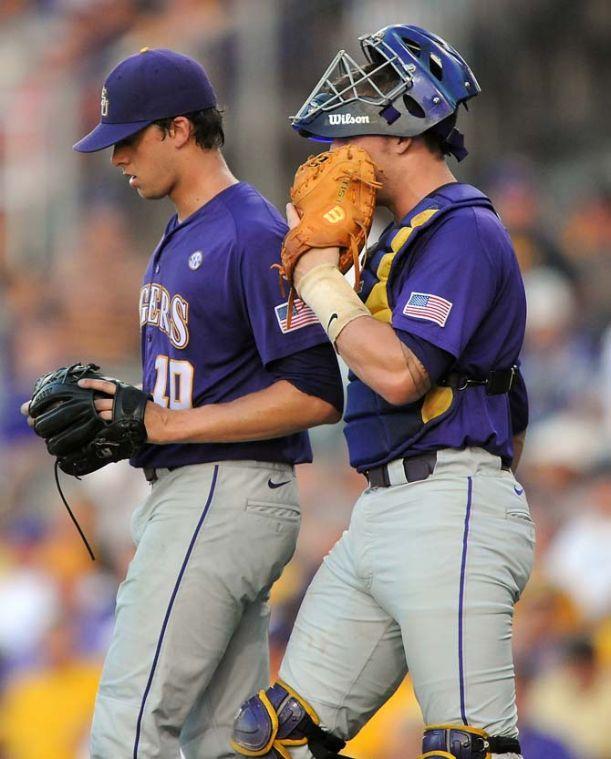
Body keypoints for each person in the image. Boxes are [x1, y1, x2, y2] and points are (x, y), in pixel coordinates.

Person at [231, 25, 534, 759]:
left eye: (363, 112)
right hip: (386, 509)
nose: (339, 149)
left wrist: (316, 276)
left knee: (466, 746)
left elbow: (400, 372)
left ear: (402, 130)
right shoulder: (406, 237)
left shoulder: (461, 230)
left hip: (448, 502)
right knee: (273, 737)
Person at [42, 48, 343, 758]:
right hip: (206, 489)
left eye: (129, 138)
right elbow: (183, 394)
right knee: (227, 737)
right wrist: (130, 414)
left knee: (130, 713)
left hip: (222, 489)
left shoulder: (248, 231)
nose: (116, 156)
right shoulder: (183, 231)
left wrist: (165, 422)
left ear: (179, 129)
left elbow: (315, 391)